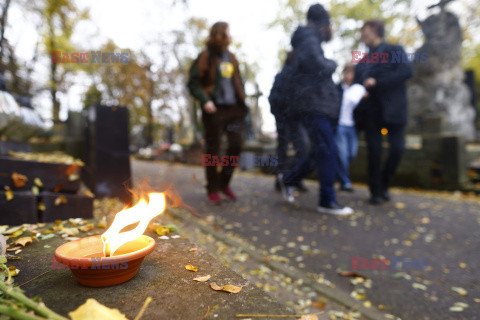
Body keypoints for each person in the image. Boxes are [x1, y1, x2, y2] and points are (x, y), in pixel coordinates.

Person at [279, 3, 353, 215]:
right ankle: (327, 199)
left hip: (319, 104)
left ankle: (289, 178)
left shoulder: (307, 41)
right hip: (315, 104)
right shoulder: (308, 40)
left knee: (321, 151)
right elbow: (317, 66)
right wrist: (332, 64)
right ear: (323, 23)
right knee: (327, 150)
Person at [187, 21, 248, 204]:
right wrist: (205, 101)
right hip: (215, 110)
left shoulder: (232, 57)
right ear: (220, 34)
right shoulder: (206, 57)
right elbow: (193, 82)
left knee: (236, 145)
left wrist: (242, 101)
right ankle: (212, 188)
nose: (231, 36)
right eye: (228, 33)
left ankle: (223, 183)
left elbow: (238, 81)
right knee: (213, 152)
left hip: (234, 109)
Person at [353, 19, 413, 205]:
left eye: (365, 30)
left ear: (375, 30)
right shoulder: (363, 61)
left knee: (397, 149)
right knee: (374, 152)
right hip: (372, 113)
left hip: (395, 110)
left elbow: (406, 72)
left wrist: (378, 82)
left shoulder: (395, 51)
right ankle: (375, 192)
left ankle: (384, 184)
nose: (362, 35)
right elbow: (356, 82)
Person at [269, 52, 309, 193]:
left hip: (298, 120)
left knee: (303, 147)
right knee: (282, 149)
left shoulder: (302, 78)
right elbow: (273, 97)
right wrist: (279, 115)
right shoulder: (281, 77)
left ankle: (294, 177)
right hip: (284, 119)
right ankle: (281, 179)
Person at [335, 65, 366, 192]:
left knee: (352, 153)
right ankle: (345, 182)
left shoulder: (357, 90)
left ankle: (339, 175)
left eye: (351, 73)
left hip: (352, 126)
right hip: (339, 125)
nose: (348, 76)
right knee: (343, 154)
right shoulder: (337, 89)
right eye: (346, 73)